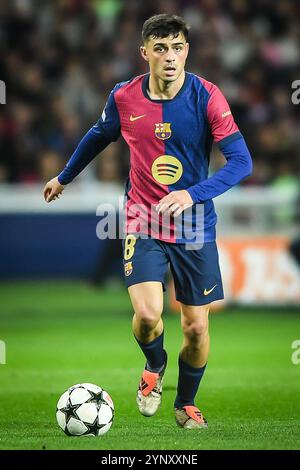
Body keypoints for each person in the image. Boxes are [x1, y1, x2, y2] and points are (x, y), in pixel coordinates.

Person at [43, 14, 252, 429]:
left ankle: (186, 404)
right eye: (160, 48)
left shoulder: (208, 97)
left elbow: (241, 162)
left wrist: (192, 194)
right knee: (149, 314)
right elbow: (98, 136)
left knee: (195, 326)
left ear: (187, 51)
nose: (170, 57)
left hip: (194, 226)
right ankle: (154, 366)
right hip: (142, 218)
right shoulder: (123, 98)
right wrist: (64, 176)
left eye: (177, 47)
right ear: (145, 54)